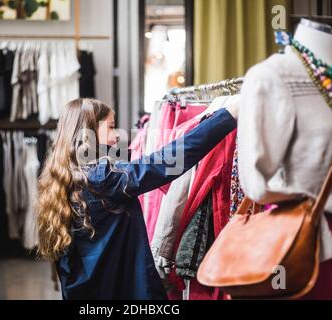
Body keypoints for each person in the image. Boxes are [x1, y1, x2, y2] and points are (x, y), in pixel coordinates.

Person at [37, 98, 239, 300]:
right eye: (111, 127)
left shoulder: (64, 176)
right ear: (87, 132)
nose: (116, 136)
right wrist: (228, 115)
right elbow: (169, 161)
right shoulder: (102, 178)